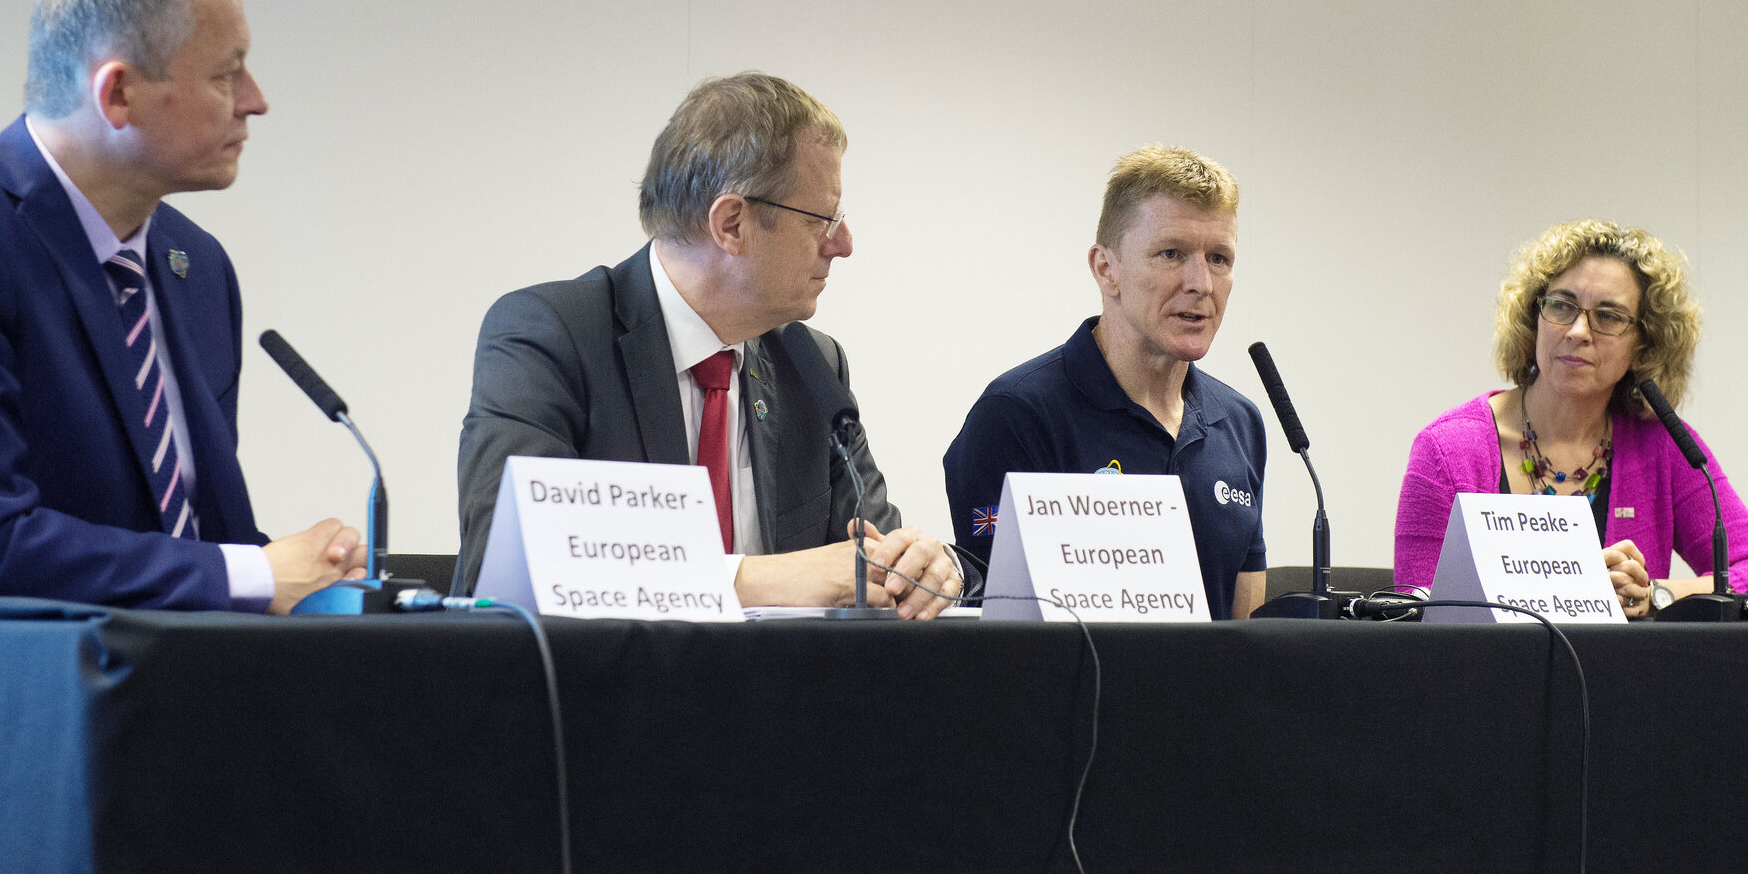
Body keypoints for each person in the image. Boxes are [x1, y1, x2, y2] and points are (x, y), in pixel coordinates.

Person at [0, 0, 365, 612]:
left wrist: (312, 575)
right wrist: (257, 575)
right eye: (226, 74)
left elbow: (190, 538)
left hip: (181, 675)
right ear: (118, 94)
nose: (256, 101)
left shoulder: (198, 265)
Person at [454, 71, 962, 617]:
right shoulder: (551, 335)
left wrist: (929, 569)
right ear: (732, 224)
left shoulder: (812, 365)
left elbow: (877, 559)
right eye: (822, 219)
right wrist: (757, 578)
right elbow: (509, 566)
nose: (843, 244)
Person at [1393, 220, 1748, 616]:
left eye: (1608, 316)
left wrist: (1655, 593)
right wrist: (1576, 587)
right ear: (1534, 319)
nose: (1578, 331)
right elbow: (1415, 612)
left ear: (1642, 344)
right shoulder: (1448, 450)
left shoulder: (1662, 447)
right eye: (1561, 306)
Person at [942, 145, 1268, 620]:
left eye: (1219, 258)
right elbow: (996, 621)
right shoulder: (1017, 414)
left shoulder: (1239, 422)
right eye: (1171, 254)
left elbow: (1246, 632)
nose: (1201, 283)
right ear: (1106, 269)